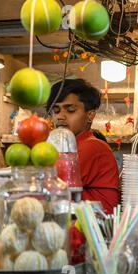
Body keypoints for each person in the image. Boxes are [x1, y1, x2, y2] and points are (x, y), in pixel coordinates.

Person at [47, 79, 119, 214]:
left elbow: (49, 186)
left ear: (90, 115)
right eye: (56, 111)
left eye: (70, 110)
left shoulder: (92, 147)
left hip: (92, 229)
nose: (60, 117)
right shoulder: (67, 148)